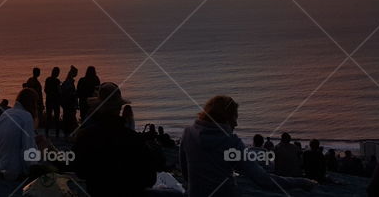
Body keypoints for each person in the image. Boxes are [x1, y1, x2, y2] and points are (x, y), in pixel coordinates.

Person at [179, 95, 316, 196]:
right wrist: (301, 182)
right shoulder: (231, 143)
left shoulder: (187, 133)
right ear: (226, 118)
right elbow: (263, 180)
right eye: (235, 118)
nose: (236, 124)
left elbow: (186, 174)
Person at [72, 83, 164, 196]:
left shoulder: (85, 136)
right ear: (120, 107)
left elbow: (80, 171)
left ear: (99, 107)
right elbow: (150, 178)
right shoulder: (134, 138)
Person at [0, 88, 43, 181]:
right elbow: (27, 149)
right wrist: (35, 168)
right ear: (31, 103)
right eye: (36, 103)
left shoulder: (5, 114)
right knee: (44, 143)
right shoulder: (26, 117)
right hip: (14, 171)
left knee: (39, 139)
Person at [60, 65, 78, 136]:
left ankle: (68, 132)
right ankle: (69, 133)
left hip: (67, 104)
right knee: (70, 118)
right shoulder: (69, 82)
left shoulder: (67, 82)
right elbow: (69, 93)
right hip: (69, 104)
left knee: (68, 118)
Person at [44, 67, 61, 138]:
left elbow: (45, 90)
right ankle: (57, 133)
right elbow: (59, 91)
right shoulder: (57, 81)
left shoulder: (48, 79)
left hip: (49, 100)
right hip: (55, 101)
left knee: (49, 117)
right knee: (56, 117)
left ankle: (47, 133)